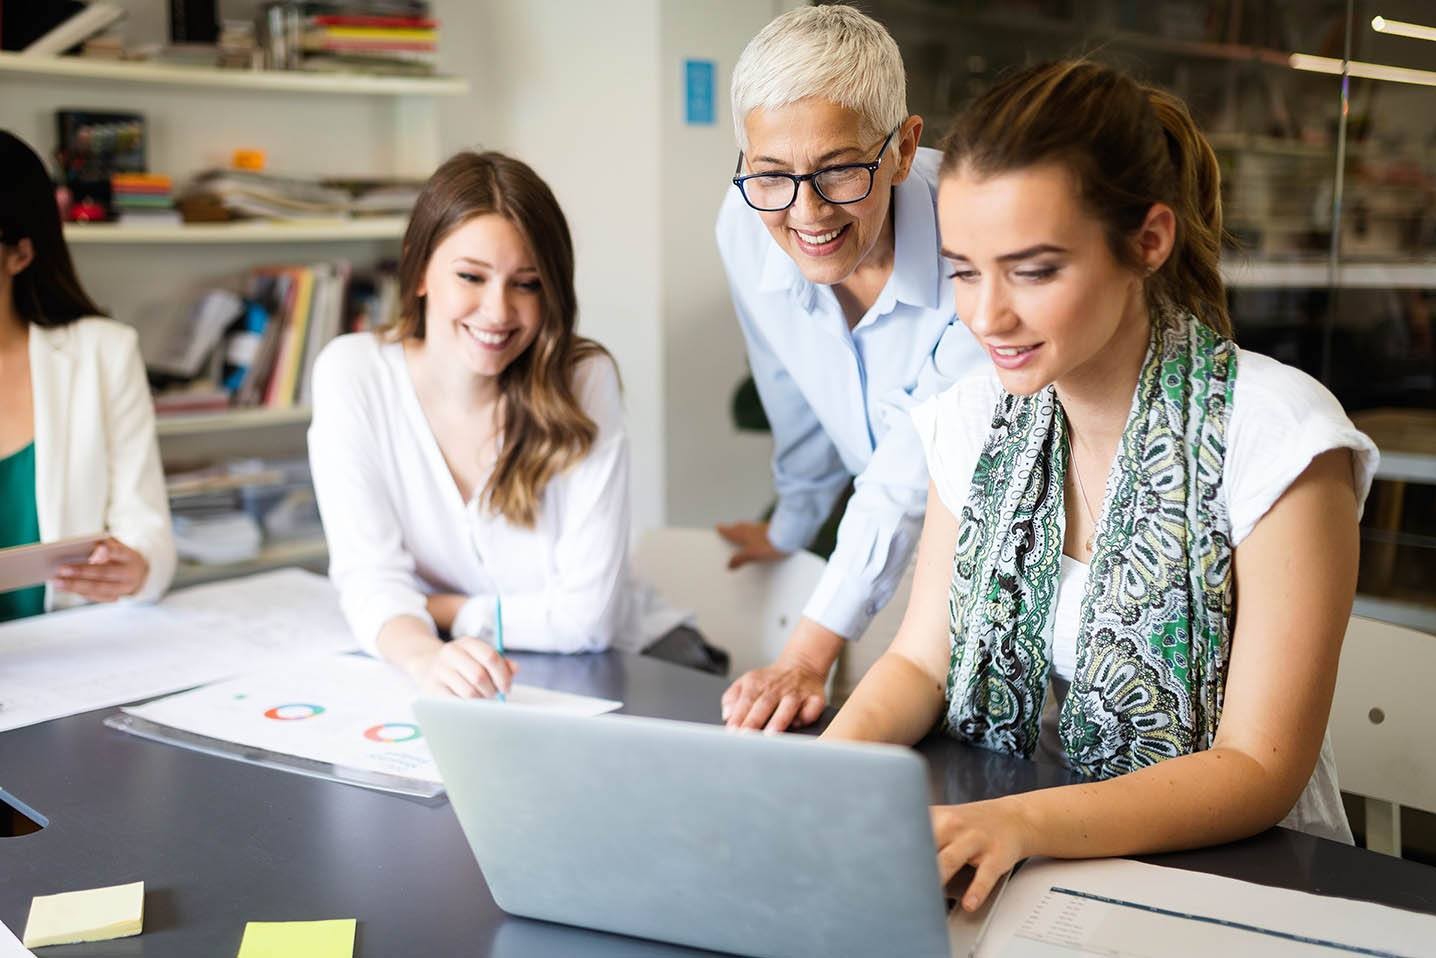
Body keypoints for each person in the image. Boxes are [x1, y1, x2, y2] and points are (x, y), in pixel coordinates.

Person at [821, 59, 1377, 911]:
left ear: (1149, 241)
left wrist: (1018, 825)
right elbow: (920, 660)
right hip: (1039, 855)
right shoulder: (970, 422)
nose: (986, 316)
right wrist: (815, 775)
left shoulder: (1276, 438)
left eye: (1034, 270)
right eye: (965, 270)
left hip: (1248, 885)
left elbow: (1259, 769)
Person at [309, 151, 708, 699]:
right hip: (479, 676)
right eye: (471, 276)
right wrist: (426, 655)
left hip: (634, 663)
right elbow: (370, 579)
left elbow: (588, 622)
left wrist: (444, 610)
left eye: (527, 284)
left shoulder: (582, 380)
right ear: (419, 267)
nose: (498, 312)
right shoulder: (352, 374)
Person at [715, 5, 982, 731]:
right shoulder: (745, 224)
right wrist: (794, 521)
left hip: (996, 553)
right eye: (771, 174)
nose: (805, 212)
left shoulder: (976, 245)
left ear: (903, 148)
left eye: (838, 171)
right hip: (895, 573)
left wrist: (805, 654)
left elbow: (910, 469)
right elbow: (788, 385)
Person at [0, 130, 174, 622]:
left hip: (67, 657)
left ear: (20, 254)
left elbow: (147, 529)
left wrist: (137, 567)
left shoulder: (104, 352)